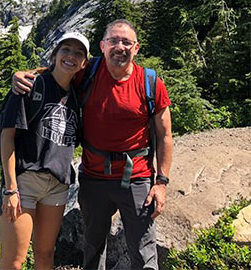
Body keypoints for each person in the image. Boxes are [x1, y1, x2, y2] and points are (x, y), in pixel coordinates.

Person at [13, 19, 173, 270]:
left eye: (126, 42)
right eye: (113, 41)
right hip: (94, 178)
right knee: (93, 249)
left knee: (144, 253)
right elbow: (61, 70)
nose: (120, 47)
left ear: (136, 48)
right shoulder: (89, 74)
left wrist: (161, 183)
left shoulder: (150, 83)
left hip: (137, 179)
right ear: (103, 45)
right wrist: (26, 74)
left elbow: (165, 135)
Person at [0, 31, 89, 270]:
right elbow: (6, 137)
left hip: (57, 187)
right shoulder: (30, 85)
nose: (71, 56)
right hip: (24, 183)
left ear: (84, 63)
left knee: (46, 254)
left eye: (79, 53)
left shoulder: (78, 98)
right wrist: (10, 189)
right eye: (66, 50)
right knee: (13, 263)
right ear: (54, 54)